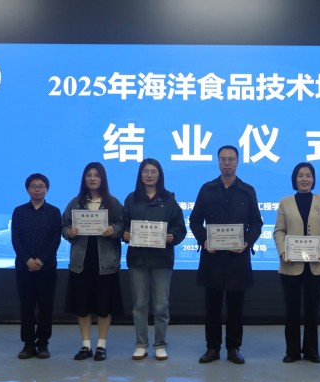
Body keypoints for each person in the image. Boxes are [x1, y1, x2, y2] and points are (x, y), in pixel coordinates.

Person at [189, 145, 263, 365]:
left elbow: (256, 223)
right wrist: (204, 240)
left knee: (235, 307)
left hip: (237, 258)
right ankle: (212, 348)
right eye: (223, 159)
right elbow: (194, 220)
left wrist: (247, 241)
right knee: (211, 306)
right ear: (218, 162)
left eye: (231, 159)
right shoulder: (207, 189)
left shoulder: (247, 191)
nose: (227, 163)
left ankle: (233, 348)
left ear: (237, 162)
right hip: (212, 257)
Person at [123, 158, 187, 361]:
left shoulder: (169, 200)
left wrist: (172, 236)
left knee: (161, 306)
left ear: (160, 175)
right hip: (138, 259)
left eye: (153, 171)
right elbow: (123, 224)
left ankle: (160, 344)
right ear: (140, 175)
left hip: (162, 260)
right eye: (145, 171)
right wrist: (124, 234)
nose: (149, 175)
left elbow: (180, 228)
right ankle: (141, 344)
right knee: (139, 305)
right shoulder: (131, 199)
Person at [62, 162, 124, 361]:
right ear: (84, 179)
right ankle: (86, 345)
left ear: (102, 178)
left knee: (104, 306)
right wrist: (69, 232)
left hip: (105, 263)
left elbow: (124, 224)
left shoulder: (113, 203)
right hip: (81, 262)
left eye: (96, 175)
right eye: (88, 175)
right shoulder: (75, 203)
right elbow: (64, 225)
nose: (92, 178)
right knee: (83, 306)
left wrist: (114, 229)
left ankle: (101, 346)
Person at [273, 162, 320, 363]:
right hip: (290, 264)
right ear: (295, 178)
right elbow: (279, 231)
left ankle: (311, 351)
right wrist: (283, 251)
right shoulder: (285, 202)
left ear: (313, 179)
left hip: (316, 265)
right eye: (300, 175)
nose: (304, 179)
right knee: (291, 310)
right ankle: (292, 351)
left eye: (308, 175)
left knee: (312, 310)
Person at [11, 173, 62, 359]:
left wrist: (41, 260)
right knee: (27, 306)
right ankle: (28, 344)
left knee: (45, 306)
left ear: (47, 189)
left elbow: (55, 239)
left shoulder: (54, 212)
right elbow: (16, 239)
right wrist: (27, 260)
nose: (37, 189)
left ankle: (43, 344)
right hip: (24, 267)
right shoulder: (19, 211)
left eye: (41, 186)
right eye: (34, 186)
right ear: (27, 189)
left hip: (46, 268)